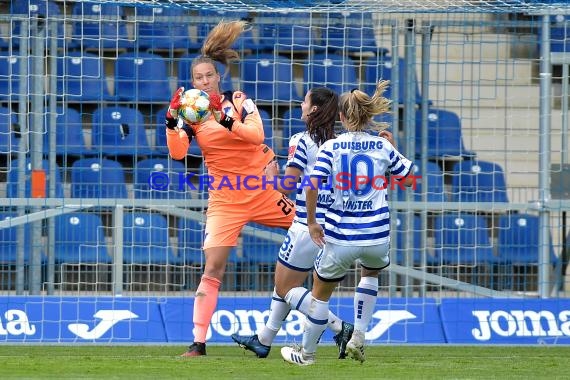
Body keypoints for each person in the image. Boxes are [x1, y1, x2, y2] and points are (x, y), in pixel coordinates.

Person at [164, 20, 295, 357]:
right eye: (198, 78)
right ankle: (198, 344)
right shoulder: (192, 117)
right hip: (225, 200)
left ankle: (325, 320)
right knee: (213, 268)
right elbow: (178, 153)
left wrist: (226, 120)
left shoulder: (240, 103)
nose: (204, 81)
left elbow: (257, 137)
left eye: (209, 76)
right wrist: (170, 123)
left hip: (262, 190)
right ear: (192, 83)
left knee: (313, 231)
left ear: (218, 77)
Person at [280, 81, 416, 366]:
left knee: (320, 293)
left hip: (342, 237)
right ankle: (359, 336)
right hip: (376, 237)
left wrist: (314, 222)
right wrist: (391, 148)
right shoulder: (381, 146)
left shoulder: (332, 146)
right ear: (367, 116)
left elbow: (311, 185)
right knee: (370, 274)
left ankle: (307, 354)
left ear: (341, 117)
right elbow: (410, 179)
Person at [231, 88, 354, 359]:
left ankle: (339, 327)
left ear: (313, 110)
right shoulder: (342, 141)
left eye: (305, 101)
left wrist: (269, 177)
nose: (301, 103)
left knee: (285, 288)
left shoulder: (302, 140)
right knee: (285, 285)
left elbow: (287, 186)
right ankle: (263, 340)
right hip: (336, 224)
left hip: (306, 226)